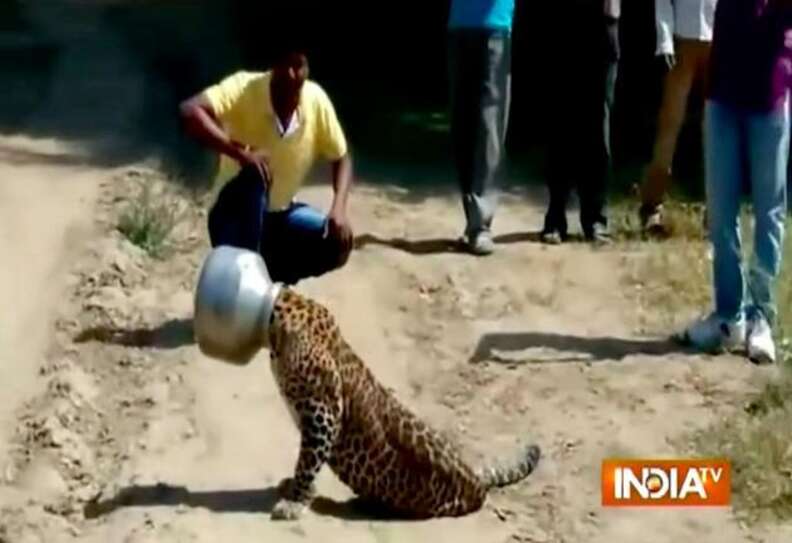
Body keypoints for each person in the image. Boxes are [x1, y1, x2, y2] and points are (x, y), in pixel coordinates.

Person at [179, 42, 354, 286]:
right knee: (256, 173)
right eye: (286, 65)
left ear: (307, 68)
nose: (293, 74)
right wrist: (239, 152)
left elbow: (341, 157)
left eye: (299, 65)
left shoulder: (315, 100)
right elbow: (190, 111)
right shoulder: (244, 88)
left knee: (336, 242)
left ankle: (270, 287)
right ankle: (246, 281)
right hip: (230, 217)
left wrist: (339, 209)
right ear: (273, 67)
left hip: (278, 216)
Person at [678, 0, 791, 364]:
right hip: (723, 89)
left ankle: (761, 316)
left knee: (768, 208)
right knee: (721, 206)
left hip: (770, 89)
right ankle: (729, 317)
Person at [541, 0, 621, 245]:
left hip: (603, 21)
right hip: (563, 21)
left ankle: (596, 218)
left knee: (598, 128)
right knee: (560, 123)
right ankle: (556, 216)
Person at [638, 0, 718, 234]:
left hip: (719, 40)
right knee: (669, 128)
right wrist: (664, 41)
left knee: (715, 130)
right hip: (682, 40)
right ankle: (652, 206)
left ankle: (716, 212)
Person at [448, 0, 514, 255]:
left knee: (489, 125)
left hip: (496, 25)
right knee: (462, 123)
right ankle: (472, 216)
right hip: (459, 24)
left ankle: (481, 224)